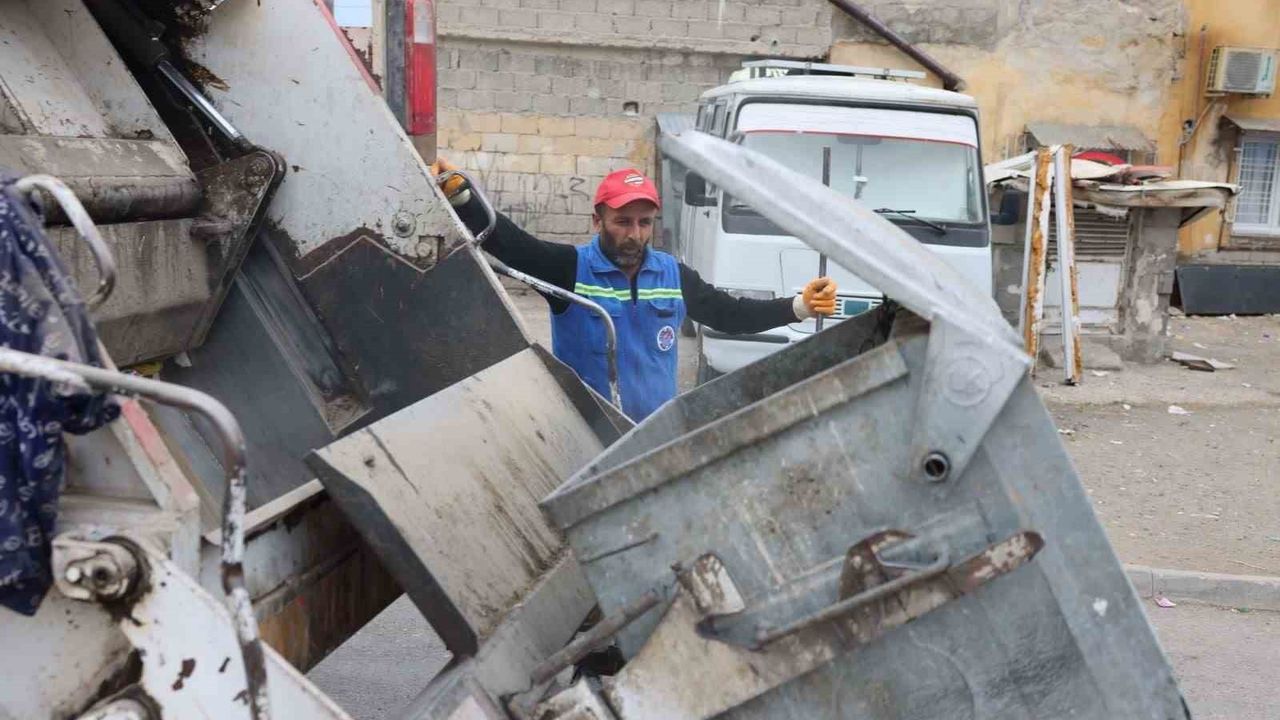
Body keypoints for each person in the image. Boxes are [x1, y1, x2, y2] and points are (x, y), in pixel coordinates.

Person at [431, 160, 837, 421]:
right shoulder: (570, 270)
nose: (635, 234)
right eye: (622, 221)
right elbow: (512, 245)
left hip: (652, 439)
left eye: (644, 222)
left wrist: (799, 306)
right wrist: (462, 197)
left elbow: (730, 313)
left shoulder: (674, 276)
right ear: (598, 220)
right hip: (586, 435)